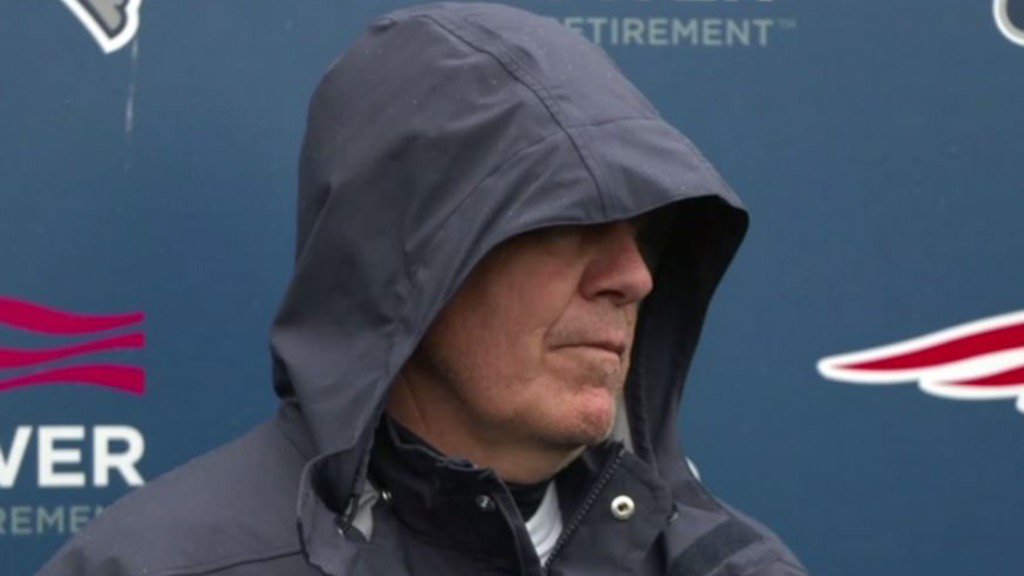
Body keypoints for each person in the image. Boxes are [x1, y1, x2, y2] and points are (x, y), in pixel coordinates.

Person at [38, 3, 808, 575]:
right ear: (408, 256)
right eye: (572, 223)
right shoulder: (153, 566)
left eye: (645, 235)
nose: (633, 277)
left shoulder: (730, 567)